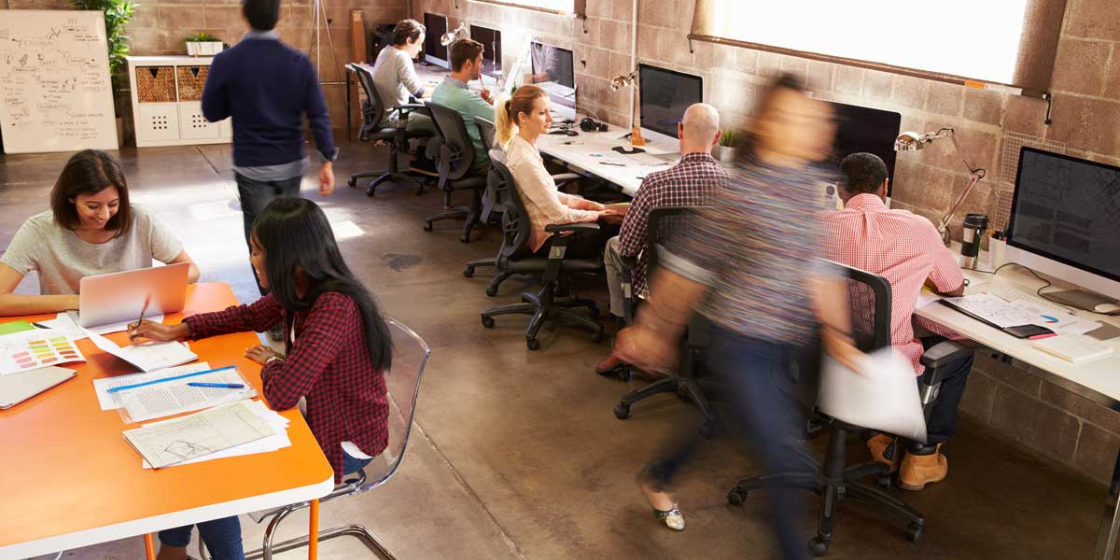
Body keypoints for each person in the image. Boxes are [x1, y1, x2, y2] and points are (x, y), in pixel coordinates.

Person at [613, 75, 860, 560]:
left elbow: (817, 268)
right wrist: (654, 329)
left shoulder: (808, 187)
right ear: (766, 127)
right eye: (793, 118)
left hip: (788, 342)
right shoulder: (739, 192)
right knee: (787, 463)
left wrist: (838, 334)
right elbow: (687, 269)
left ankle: (658, 475)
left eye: (813, 118)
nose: (810, 127)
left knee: (723, 419)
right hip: (742, 342)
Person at [129, 197, 394, 560]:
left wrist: (272, 361)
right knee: (193, 458)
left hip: (343, 440)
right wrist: (178, 331)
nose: (253, 260)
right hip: (315, 416)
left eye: (258, 251)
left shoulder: (333, 306)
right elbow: (248, 316)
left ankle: (179, 553)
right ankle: (172, 552)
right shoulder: (299, 289)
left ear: (289, 255)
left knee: (212, 478)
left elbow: (283, 392)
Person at [818, 152, 972, 491]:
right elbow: (954, 287)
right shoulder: (918, 228)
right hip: (886, 372)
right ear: (886, 186)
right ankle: (921, 459)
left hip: (827, 362)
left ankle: (880, 439)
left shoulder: (817, 226)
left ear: (840, 190)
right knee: (959, 349)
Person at [201, 0, 337, 322]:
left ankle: (272, 313)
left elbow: (211, 111)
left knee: (261, 241)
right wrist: (327, 160)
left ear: (243, 16)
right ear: (279, 17)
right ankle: (294, 305)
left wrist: (240, 97)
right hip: (290, 163)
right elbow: (318, 113)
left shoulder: (227, 61)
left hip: (252, 165)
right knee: (290, 237)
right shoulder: (298, 61)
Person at [596, 103, 726, 376]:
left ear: (680, 130)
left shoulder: (656, 183)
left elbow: (629, 249)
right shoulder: (734, 186)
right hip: (717, 289)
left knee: (613, 247)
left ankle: (625, 335)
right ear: (717, 137)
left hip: (659, 287)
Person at [0, 150, 199, 317]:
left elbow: (191, 271)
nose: (104, 215)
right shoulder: (39, 230)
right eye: (92, 206)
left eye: (113, 204)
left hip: (130, 320)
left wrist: (143, 289)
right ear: (71, 198)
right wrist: (74, 301)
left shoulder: (140, 219)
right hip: (68, 327)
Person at [495, 85, 620, 258]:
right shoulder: (526, 162)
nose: (550, 118)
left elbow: (550, 195)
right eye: (542, 113)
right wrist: (598, 216)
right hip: (552, 239)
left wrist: (592, 206)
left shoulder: (523, 146)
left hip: (549, 225)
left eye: (549, 111)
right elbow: (559, 215)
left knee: (607, 205)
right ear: (523, 118)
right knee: (620, 226)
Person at [370, 18, 438, 175]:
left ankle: (420, 158)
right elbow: (418, 93)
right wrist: (442, 91)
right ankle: (423, 161)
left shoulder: (386, 51)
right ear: (408, 40)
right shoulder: (402, 57)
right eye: (419, 43)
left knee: (429, 113)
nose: (420, 49)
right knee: (439, 122)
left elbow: (411, 86)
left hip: (381, 115)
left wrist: (431, 87)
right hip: (394, 117)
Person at [430, 38, 495, 171]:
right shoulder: (467, 99)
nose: (481, 66)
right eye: (480, 61)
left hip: (457, 159)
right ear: (468, 64)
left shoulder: (438, 90)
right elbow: (503, 121)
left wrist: (481, 104)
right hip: (480, 162)